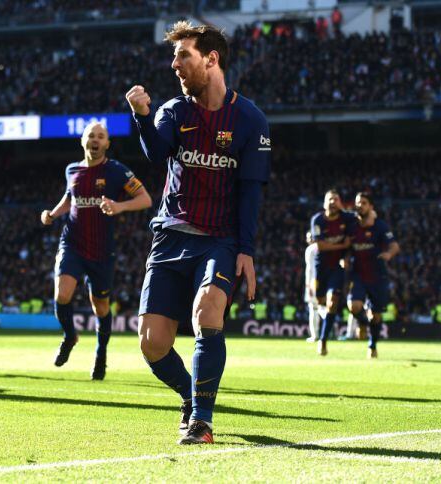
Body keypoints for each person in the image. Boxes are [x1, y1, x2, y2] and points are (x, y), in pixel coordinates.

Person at [126, 22, 270, 444]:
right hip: (171, 235)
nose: (175, 65)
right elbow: (156, 152)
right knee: (152, 344)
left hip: (220, 238)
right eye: (174, 58)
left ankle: (201, 422)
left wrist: (246, 250)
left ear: (212, 58)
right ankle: (191, 397)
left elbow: (250, 192)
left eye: (183, 56)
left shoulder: (250, 119)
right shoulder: (173, 111)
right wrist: (142, 117)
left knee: (207, 313)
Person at [41, 122, 152, 381]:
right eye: (91, 135)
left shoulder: (116, 171)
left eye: (101, 136)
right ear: (83, 140)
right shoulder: (72, 170)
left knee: (100, 306)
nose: (96, 139)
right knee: (62, 294)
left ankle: (101, 355)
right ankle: (70, 335)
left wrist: (119, 206)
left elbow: (146, 199)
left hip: (102, 250)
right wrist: (52, 214)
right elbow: (70, 198)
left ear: (107, 144)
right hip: (72, 243)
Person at [346, 192, 400, 358]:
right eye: (358, 202)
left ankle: (372, 345)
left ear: (371, 206)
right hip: (359, 275)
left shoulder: (380, 226)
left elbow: (394, 246)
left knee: (375, 316)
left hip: (377, 276)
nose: (360, 205)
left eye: (364, 203)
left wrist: (389, 255)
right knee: (353, 306)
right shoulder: (352, 224)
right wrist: (346, 258)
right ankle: (362, 323)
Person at [310, 189, 354, 356]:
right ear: (324, 203)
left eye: (336, 199)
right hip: (320, 268)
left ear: (340, 202)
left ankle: (323, 340)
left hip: (336, 268)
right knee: (320, 301)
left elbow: (362, 218)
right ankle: (324, 331)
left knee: (332, 302)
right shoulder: (317, 220)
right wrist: (343, 246)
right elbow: (320, 245)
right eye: (329, 199)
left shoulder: (347, 218)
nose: (332, 202)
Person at [304, 231, 320, 342]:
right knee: (323, 308)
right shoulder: (323, 247)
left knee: (313, 308)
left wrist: (308, 285)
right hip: (324, 280)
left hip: (313, 282)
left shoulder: (310, 249)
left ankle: (315, 335)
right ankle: (327, 331)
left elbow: (309, 268)